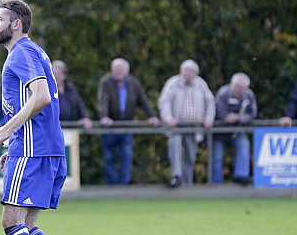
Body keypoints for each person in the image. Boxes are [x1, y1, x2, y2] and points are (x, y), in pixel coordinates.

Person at [0, 0, 76, 235]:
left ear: (15, 25)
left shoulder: (22, 52)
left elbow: (40, 97)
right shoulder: (36, 52)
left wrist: (8, 130)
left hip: (34, 150)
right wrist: (15, 142)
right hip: (43, 148)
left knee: (11, 222)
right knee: (26, 225)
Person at [97, 58, 160, 184]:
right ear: (111, 71)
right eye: (116, 69)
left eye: (121, 69)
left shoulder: (134, 83)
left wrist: (152, 116)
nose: (118, 72)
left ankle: (123, 186)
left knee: (127, 156)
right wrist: (104, 116)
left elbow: (143, 101)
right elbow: (102, 101)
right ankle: (112, 187)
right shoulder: (106, 83)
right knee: (109, 157)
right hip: (110, 127)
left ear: (127, 71)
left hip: (127, 126)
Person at [158, 59, 215, 187]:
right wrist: (168, 118)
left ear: (196, 74)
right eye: (185, 70)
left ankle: (187, 184)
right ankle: (177, 176)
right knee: (175, 146)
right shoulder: (172, 83)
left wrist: (209, 118)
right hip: (177, 124)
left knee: (190, 155)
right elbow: (164, 102)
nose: (188, 73)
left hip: (194, 126)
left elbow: (210, 102)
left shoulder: (201, 85)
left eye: (191, 71)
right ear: (181, 71)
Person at [212, 73, 257, 185]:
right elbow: (222, 115)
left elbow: (252, 114)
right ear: (231, 84)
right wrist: (233, 118)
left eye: (241, 87)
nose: (237, 89)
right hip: (219, 132)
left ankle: (241, 177)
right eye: (236, 86)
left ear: (246, 88)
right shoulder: (223, 93)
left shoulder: (249, 95)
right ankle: (216, 183)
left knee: (244, 145)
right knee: (217, 156)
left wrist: (238, 118)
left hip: (236, 131)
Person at [52, 60, 93, 130]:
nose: (57, 77)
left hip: (71, 128)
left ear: (64, 75)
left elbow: (79, 104)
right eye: (55, 74)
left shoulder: (70, 87)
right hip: (55, 128)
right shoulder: (49, 89)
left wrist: (86, 118)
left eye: (59, 74)